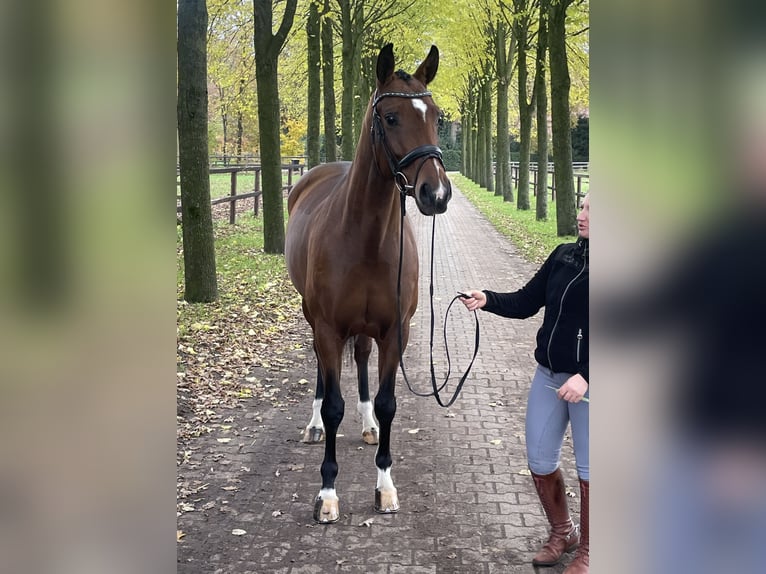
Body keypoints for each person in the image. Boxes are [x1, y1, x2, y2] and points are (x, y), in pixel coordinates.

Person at [461, 193, 589, 573]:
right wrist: (487, 299)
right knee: (539, 458)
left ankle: (592, 551)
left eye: (591, 211)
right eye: (581, 206)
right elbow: (527, 300)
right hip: (549, 376)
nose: (581, 215)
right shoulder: (564, 255)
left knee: (592, 471)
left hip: (591, 388)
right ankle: (562, 532)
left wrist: (588, 375)